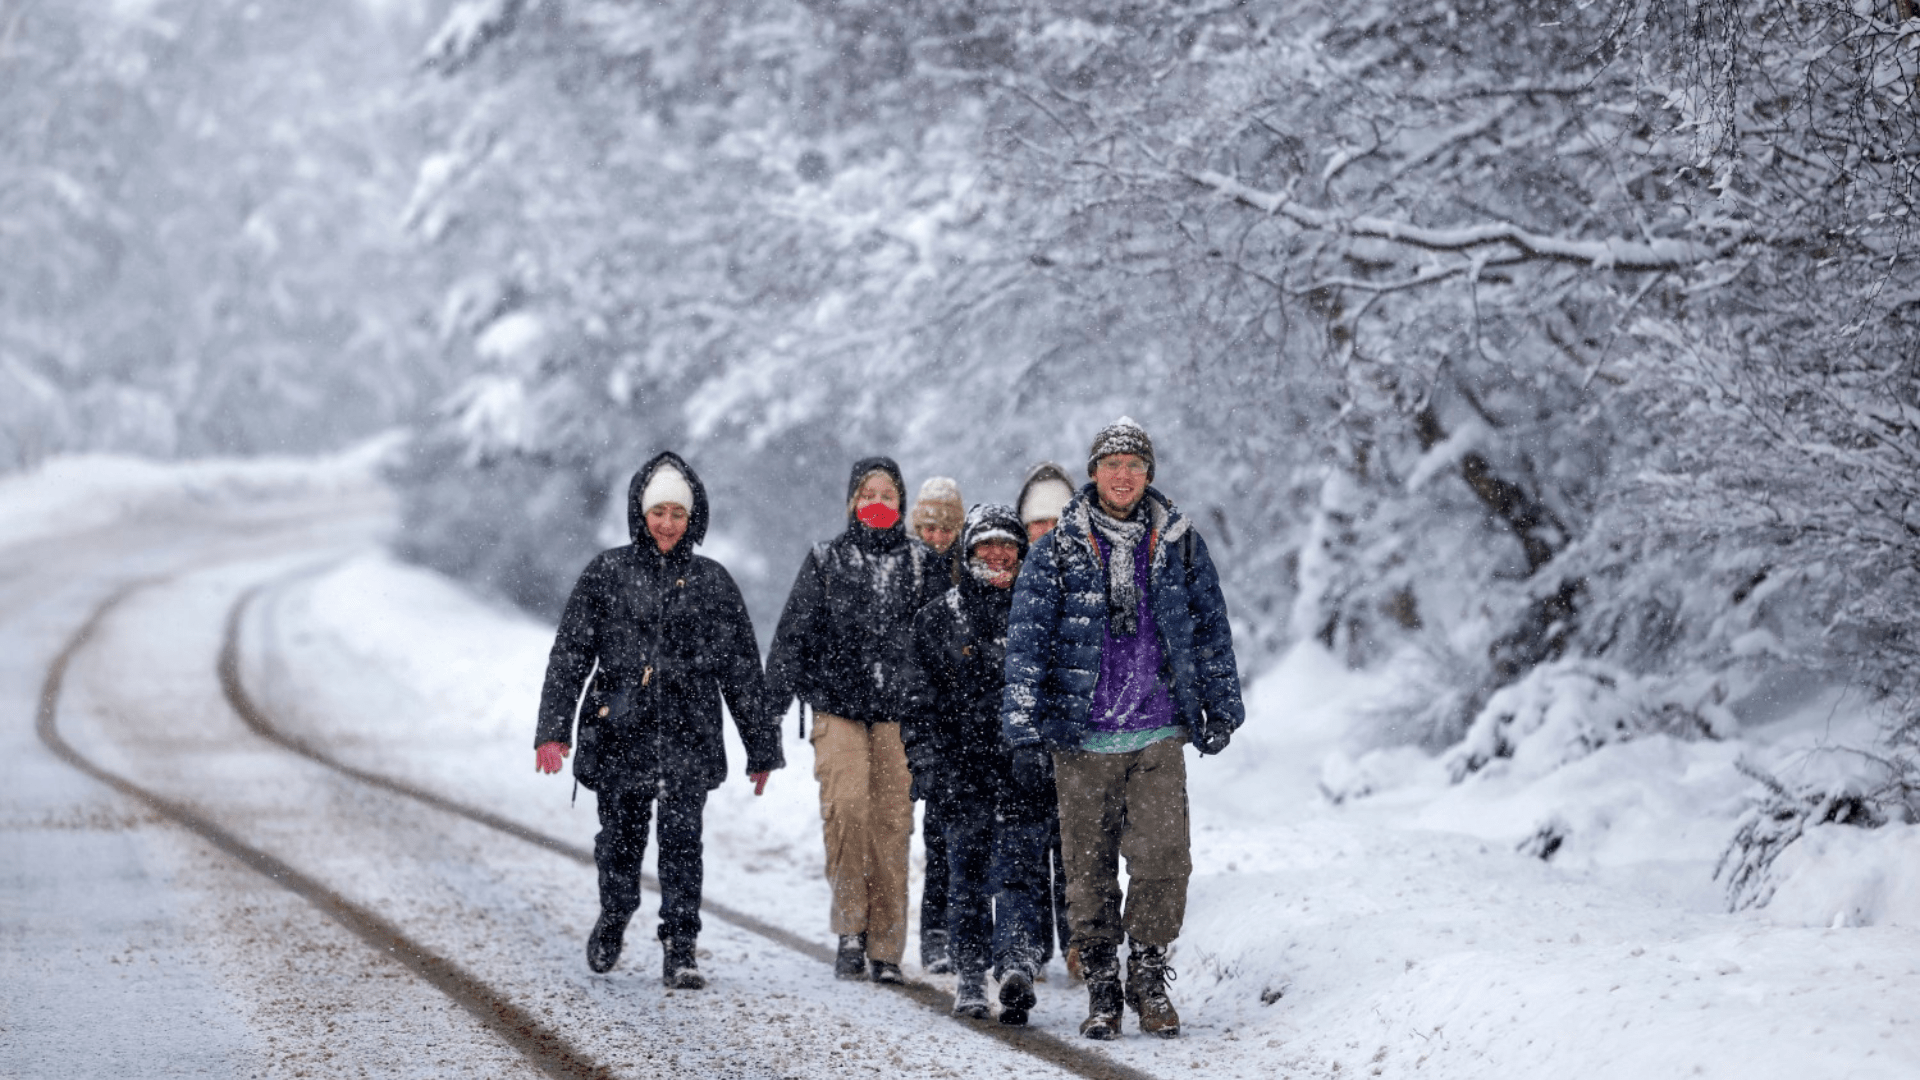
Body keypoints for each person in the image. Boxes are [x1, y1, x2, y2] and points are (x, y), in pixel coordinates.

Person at [1001, 418, 1245, 1040]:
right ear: (1093, 473)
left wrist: (1223, 706)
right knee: (1088, 870)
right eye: (1112, 465)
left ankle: (1149, 970)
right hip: (1080, 737)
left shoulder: (1181, 542)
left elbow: (1210, 630)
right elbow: (1026, 643)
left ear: (1149, 475)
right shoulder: (1058, 547)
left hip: (1157, 731)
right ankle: (1104, 986)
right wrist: (1024, 726)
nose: (1123, 475)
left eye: (1135, 465)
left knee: (1166, 861)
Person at [533, 451, 785, 988]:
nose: (668, 523)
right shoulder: (607, 573)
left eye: (678, 513)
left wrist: (762, 747)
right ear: (639, 514)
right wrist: (553, 731)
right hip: (620, 730)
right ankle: (617, 910)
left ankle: (681, 945)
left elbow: (741, 668)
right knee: (619, 839)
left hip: (689, 733)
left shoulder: (713, 583)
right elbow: (571, 654)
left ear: (692, 518)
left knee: (682, 841)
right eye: (658, 512)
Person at [767, 457, 943, 983]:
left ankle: (886, 947)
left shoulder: (923, 564)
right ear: (851, 502)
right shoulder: (825, 560)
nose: (878, 502)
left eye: (888, 494)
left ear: (901, 504)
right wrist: (764, 721)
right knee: (847, 813)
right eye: (868, 493)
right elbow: (791, 640)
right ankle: (850, 930)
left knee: (892, 826)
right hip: (837, 709)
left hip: (900, 716)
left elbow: (941, 648)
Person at [900, 503, 1050, 1023]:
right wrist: (927, 766)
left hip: (1026, 768)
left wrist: (1046, 752)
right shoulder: (937, 618)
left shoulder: (1039, 613)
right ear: (967, 553)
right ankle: (969, 974)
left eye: (1007, 545)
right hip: (960, 771)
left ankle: (1014, 966)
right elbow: (917, 702)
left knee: (1021, 874)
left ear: (1021, 553)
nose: (997, 554)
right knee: (966, 876)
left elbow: (1059, 691)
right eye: (985, 544)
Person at [1014, 461, 1080, 980]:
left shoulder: (1088, 575)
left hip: (1076, 729)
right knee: (1027, 842)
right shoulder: (1005, 573)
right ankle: (1031, 947)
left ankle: (1080, 942)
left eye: (1057, 518)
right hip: (1022, 730)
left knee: (1077, 843)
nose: (1048, 529)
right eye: (1037, 520)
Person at [908, 475, 966, 975]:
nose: (935, 537)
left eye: (945, 528)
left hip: (963, 714)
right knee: (936, 832)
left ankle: (958, 928)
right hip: (925, 711)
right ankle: (934, 930)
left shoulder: (969, 569)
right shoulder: (903, 568)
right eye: (926, 527)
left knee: (958, 831)